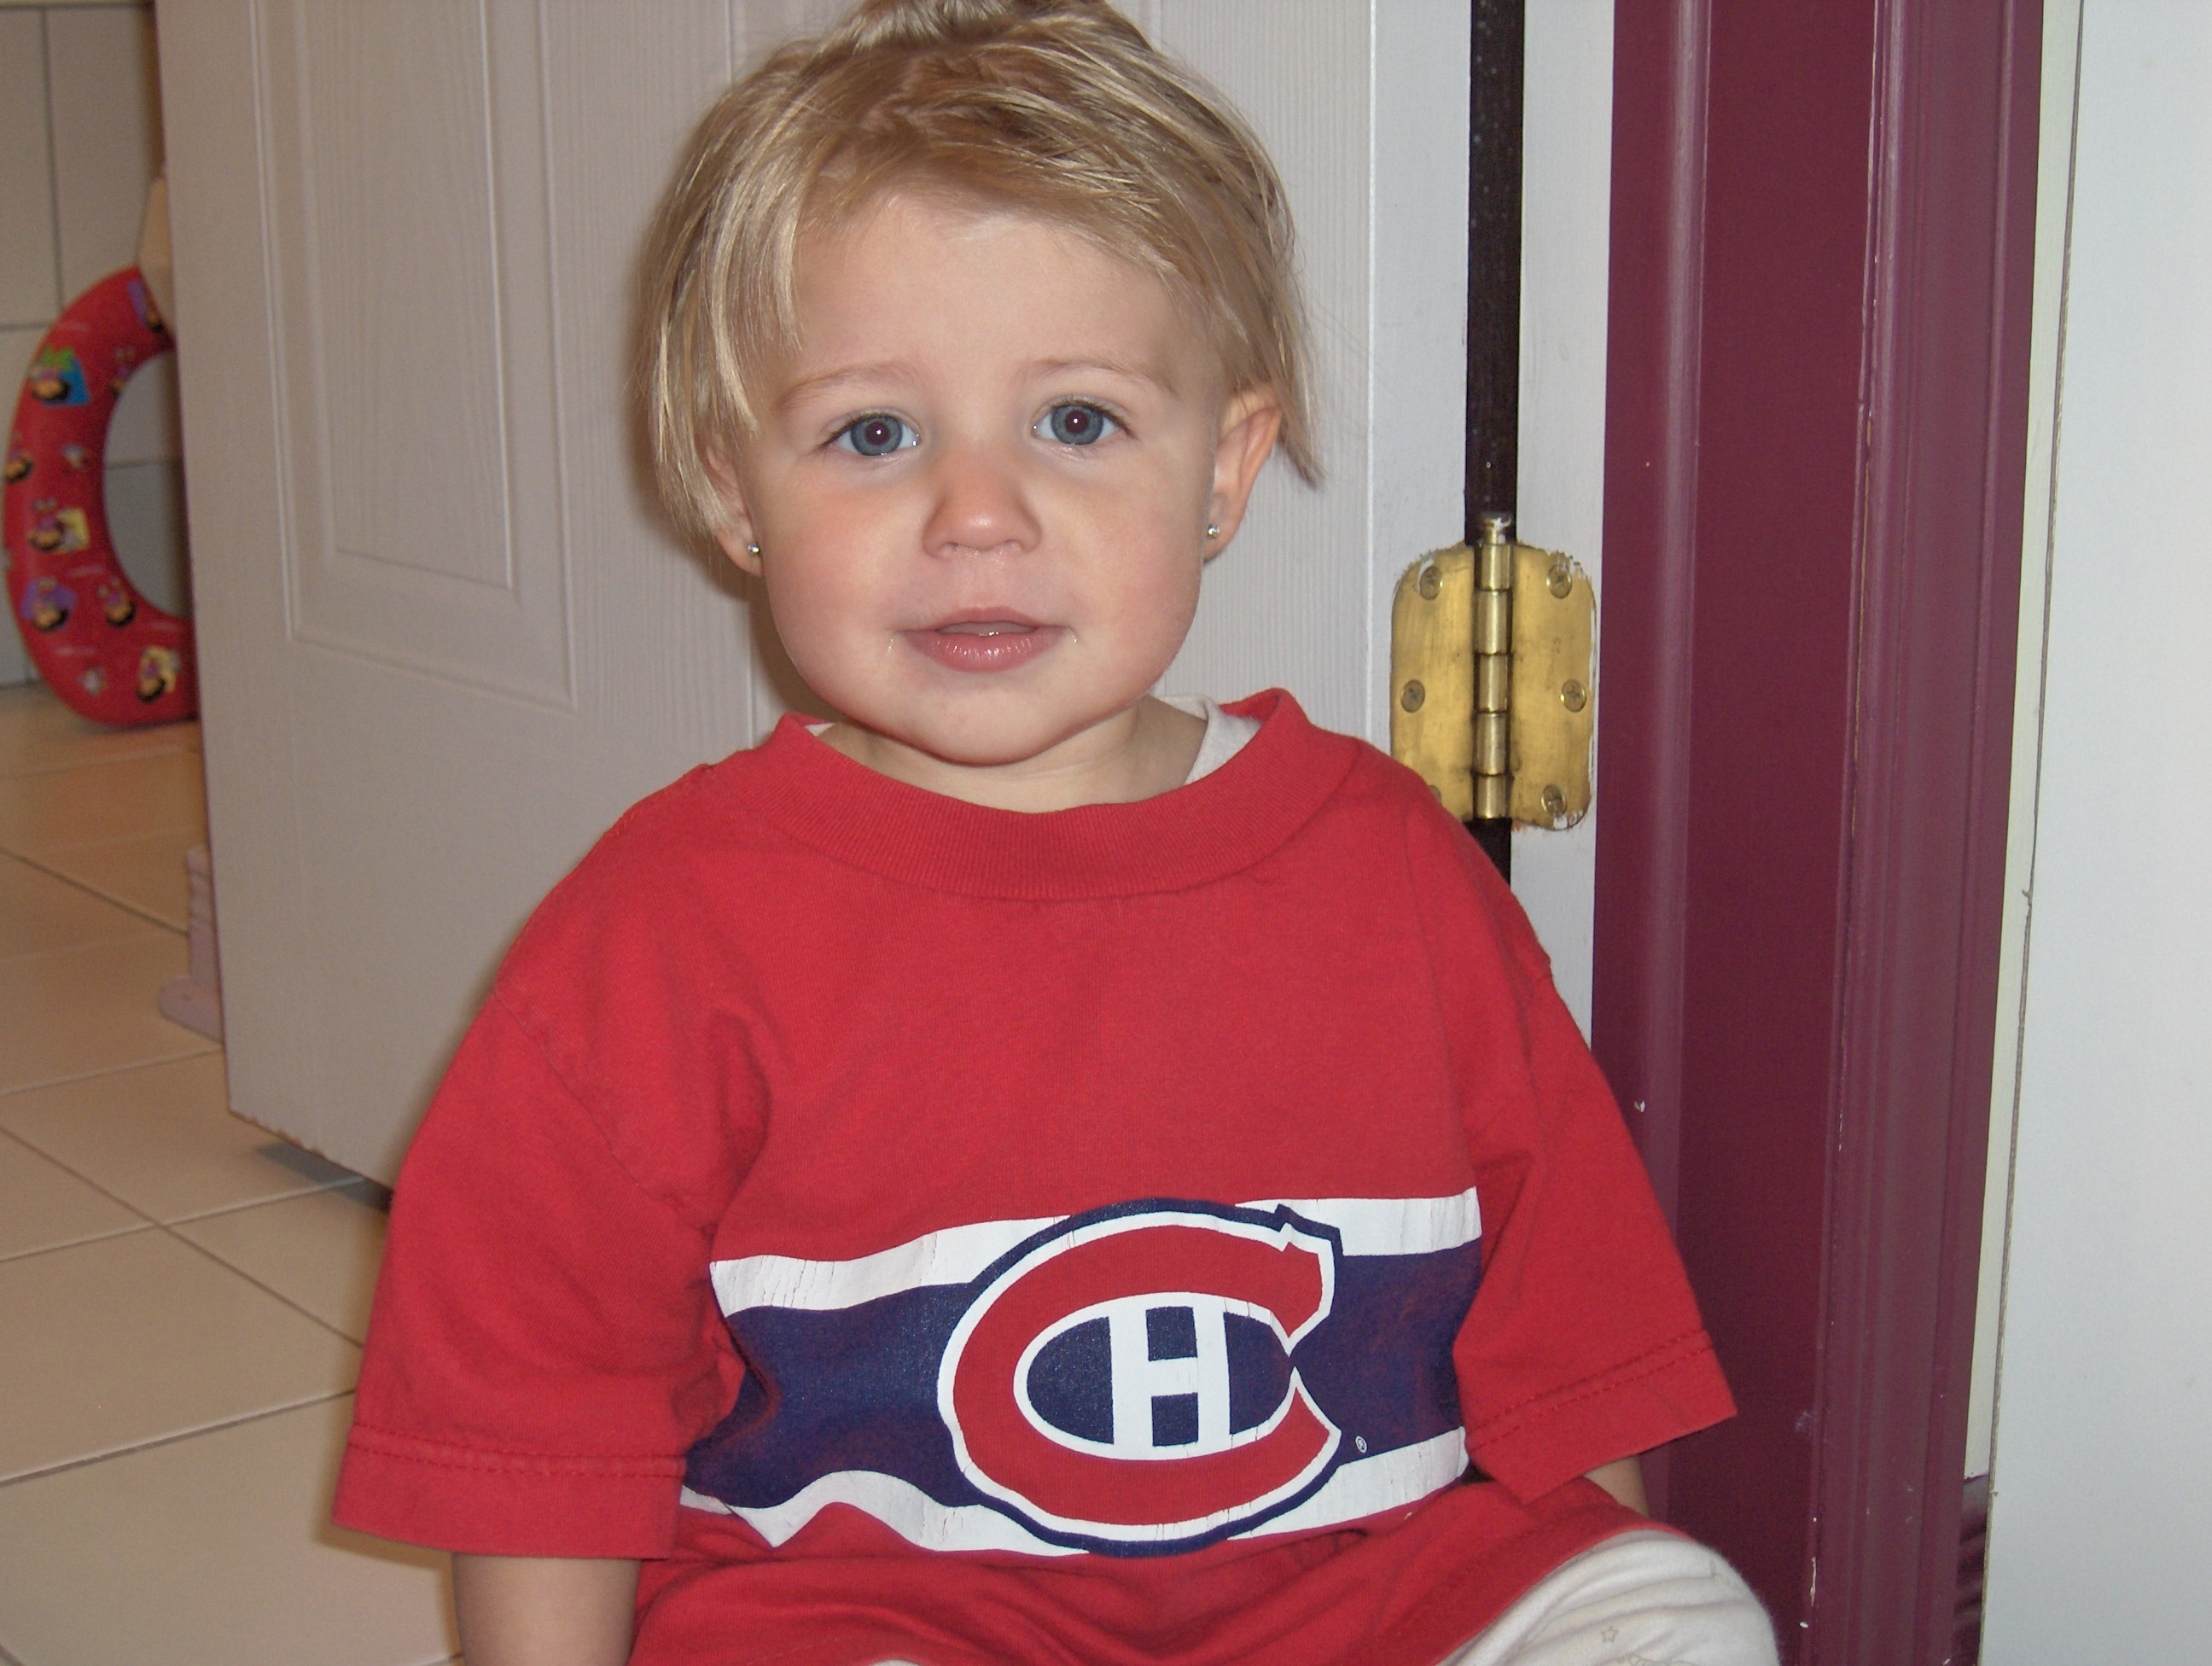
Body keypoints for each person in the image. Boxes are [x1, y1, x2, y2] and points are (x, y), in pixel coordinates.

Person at [331, 3, 1778, 1663]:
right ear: (734, 490)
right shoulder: (655, 938)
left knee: (1679, 1621)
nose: (978, 516)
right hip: (874, 1610)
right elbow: (539, 1416)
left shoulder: (1390, 871)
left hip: (1378, 1587)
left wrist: (1600, 1585)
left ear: (1223, 468)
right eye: (874, 433)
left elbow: (1575, 1342)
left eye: (1077, 421)